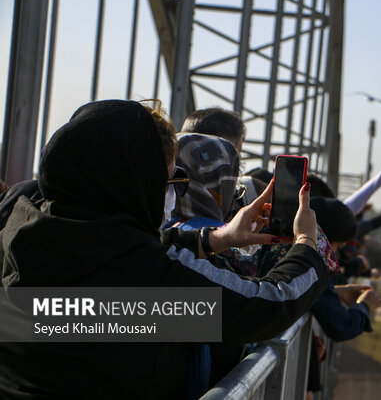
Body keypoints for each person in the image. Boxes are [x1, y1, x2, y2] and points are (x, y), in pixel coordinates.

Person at [0, 99, 327, 399]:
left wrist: (215, 238)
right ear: (134, 185)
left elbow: (116, 251)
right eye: (169, 181)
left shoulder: (20, 223)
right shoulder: (150, 286)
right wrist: (306, 243)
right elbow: (272, 302)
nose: (173, 194)